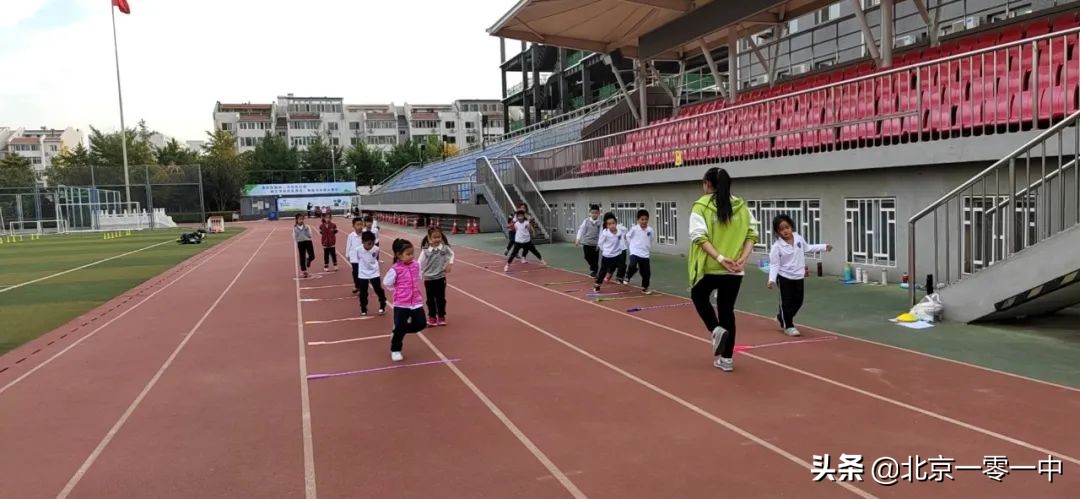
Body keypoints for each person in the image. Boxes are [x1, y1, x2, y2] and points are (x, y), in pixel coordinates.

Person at [688, 167, 758, 372]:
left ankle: (715, 329)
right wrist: (743, 259)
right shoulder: (742, 207)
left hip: (710, 267)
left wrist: (719, 258)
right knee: (727, 311)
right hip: (734, 270)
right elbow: (752, 235)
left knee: (697, 294)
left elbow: (699, 237)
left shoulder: (701, 206)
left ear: (707, 184)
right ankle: (727, 360)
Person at [767, 214, 831, 337]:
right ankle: (788, 326)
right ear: (777, 232)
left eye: (787, 227)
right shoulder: (777, 247)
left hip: (798, 276)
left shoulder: (798, 238)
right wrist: (772, 280)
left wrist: (824, 247)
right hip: (784, 277)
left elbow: (808, 248)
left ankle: (782, 316)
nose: (785, 231)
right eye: (781, 229)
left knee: (798, 301)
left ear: (791, 227)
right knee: (786, 302)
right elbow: (774, 265)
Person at [383, 238, 426, 362]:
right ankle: (396, 349)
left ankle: (397, 330)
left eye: (412, 253)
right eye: (408, 254)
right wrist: (397, 290)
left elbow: (419, 276)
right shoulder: (395, 269)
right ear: (398, 255)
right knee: (400, 325)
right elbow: (387, 282)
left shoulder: (416, 265)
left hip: (416, 302)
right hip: (401, 303)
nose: (411, 256)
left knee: (421, 324)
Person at [419, 226, 455, 326]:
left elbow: (452, 254)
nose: (437, 239)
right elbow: (419, 263)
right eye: (434, 237)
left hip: (440, 278)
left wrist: (450, 264)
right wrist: (419, 274)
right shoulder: (425, 251)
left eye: (439, 237)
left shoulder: (444, 248)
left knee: (441, 299)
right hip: (429, 279)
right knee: (430, 299)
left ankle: (441, 317)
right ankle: (432, 317)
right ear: (429, 238)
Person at [353, 231, 387, 316]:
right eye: (368, 244)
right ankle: (363, 307)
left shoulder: (376, 249)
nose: (370, 245)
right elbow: (357, 260)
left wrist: (374, 269)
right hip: (363, 272)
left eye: (372, 243)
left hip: (374, 271)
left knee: (377, 288)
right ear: (363, 242)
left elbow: (376, 258)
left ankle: (382, 302)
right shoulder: (358, 250)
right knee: (363, 291)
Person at [593, 212, 627, 292]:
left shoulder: (619, 231)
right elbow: (600, 243)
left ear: (616, 223)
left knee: (623, 266)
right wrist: (604, 250)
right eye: (609, 224)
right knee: (603, 271)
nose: (612, 225)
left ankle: (619, 278)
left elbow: (623, 235)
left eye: (613, 223)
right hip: (607, 256)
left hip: (617, 254)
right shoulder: (605, 233)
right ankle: (597, 284)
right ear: (607, 225)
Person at [624, 209, 654, 294]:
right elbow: (627, 236)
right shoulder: (634, 229)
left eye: (646, 219)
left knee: (646, 273)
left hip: (645, 254)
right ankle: (628, 276)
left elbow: (651, 239)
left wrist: (647, 247)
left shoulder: (650, 230)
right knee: (632, 264)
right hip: (635, 251)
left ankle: (645, 288)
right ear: (638, 220)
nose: (644, 221)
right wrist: (632, 245)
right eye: (642, 219)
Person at [574, 204, 603, 277]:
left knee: (595, 259)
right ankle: (593, 268)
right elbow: (581, 230)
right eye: (592, 213)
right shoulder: (586, 221)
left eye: (596, 213)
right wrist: (578, 239)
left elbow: (601, 234)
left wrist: (599, 244)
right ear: (590, 213)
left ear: (599, 213)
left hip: (595, 244)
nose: (594, 214)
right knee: (587, 256)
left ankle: (595, 272)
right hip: (586, 242)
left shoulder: (600, 223)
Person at [345, 217, 365, 293]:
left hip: (363, 258)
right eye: (358, 225)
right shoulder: (351, 236)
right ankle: (357, 286)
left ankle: (362, 287)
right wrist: (347, 255)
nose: (360, 226)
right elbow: (348, 245)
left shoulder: (364, 235)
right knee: (355, 272)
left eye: (361, 224)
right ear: (353, 226)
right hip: (354, 258)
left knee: (362, 273)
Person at [293, 214, 316, 278]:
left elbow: (310, 235)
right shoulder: (295, 228)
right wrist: (298, 240)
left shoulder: (307, 227)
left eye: (302, 219)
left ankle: (309, 260)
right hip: (300, 243)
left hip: (308, 241)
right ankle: (304, 271)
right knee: (302, 257)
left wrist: (306, 231)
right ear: (297, 220)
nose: (301, 220)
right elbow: (294, 237)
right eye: (299, 219)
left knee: (312, 256)